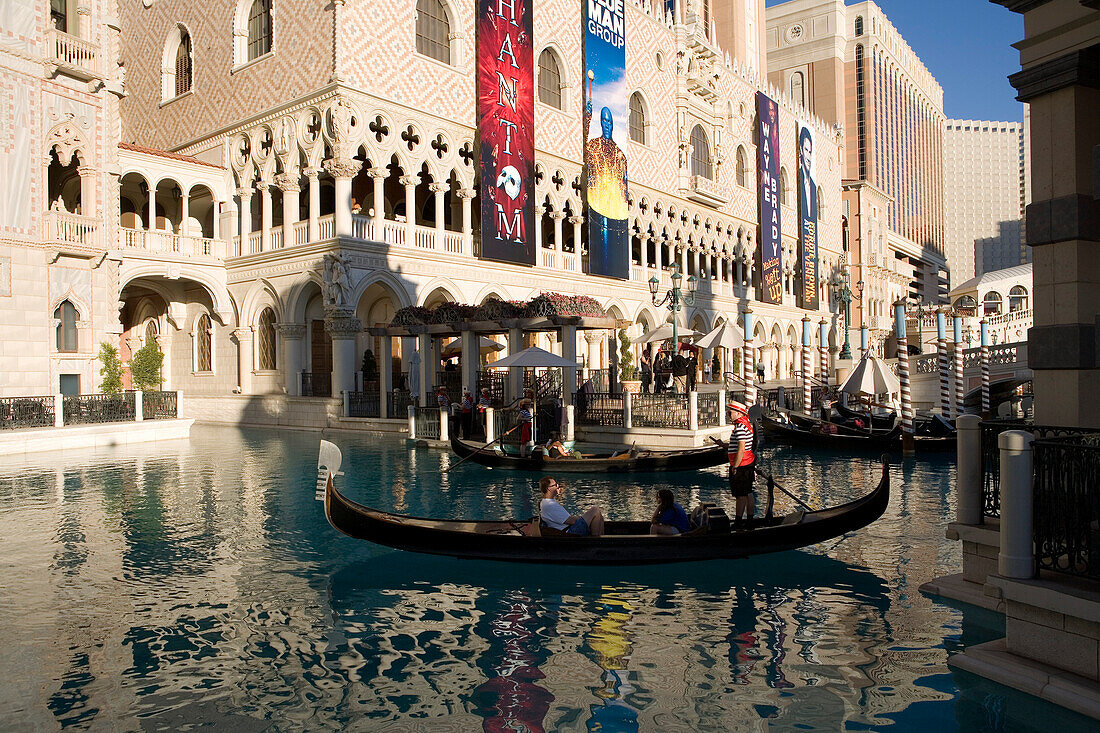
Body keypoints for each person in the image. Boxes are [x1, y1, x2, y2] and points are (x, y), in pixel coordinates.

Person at [539, 476, 604, 536]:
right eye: (555, 485)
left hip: (568, 528)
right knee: (595, 510)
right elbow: (572, 521)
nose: (558, 486)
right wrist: (583, 518)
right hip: (570, 532)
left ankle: (600, 537)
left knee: (599, 516)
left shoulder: (546, 502)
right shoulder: (550, 505)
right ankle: (596, 540)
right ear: (549, 489)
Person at [727, 400, 756, 527]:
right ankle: (749, 521)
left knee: (740, 495)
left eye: (731, 412)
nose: (729, 415)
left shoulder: (739, 427)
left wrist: (735, 466)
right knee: (748, 492)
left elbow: (741, 449)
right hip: (749, 462)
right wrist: (723, 445)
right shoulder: (747, 425)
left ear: (739, 413)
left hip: (742, 465)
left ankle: (738, 522)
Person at [517, 391, 535, 456]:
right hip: (525, 426)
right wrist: (525, 419)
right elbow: (518, 418)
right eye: (527, 404)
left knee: (526, 442)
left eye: (529, 404)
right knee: (523, 442)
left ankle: (523, 454)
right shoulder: (523, 411)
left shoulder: (527, 411)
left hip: (528, 426)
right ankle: (522, 455)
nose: (529, 405)